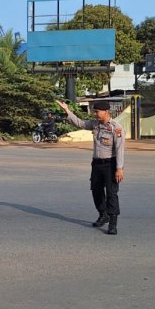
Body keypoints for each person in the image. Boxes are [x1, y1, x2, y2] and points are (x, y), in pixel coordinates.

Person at [56, 100, 125, 235]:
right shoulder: (95, 124)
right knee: (96, 190)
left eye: (97, 111)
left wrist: (119, 168)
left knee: (111, 194)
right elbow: (80, 123)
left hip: (110, 164)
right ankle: (103, 214)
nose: (95, 114)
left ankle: (112, 223)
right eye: (94, 111)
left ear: (106, 112)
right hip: (97, 163)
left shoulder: (116, 128)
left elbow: (120, 149)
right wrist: (67, 110)